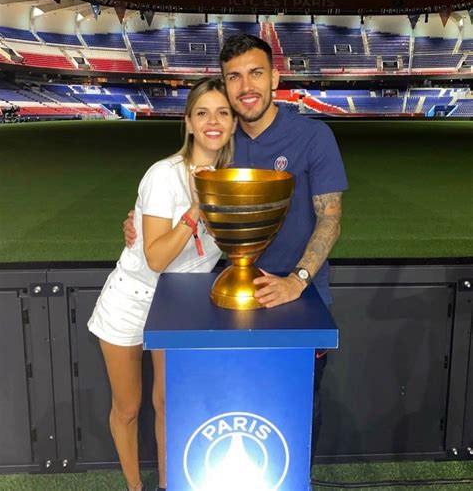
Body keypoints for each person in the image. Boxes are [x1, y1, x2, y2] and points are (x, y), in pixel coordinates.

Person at [124, 34, 348, 461]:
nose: (246, 86)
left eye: (255, 73)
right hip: (227, 297)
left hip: (299, 300)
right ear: (225, 85)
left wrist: (297, 281)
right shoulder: (222, 142)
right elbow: (175, 187)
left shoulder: (313, 137)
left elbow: (331, 218)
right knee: (235, 406)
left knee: (297, 410)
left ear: (275, 78)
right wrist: (134, 220)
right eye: (234, 77)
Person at [88, 77, 237, 491]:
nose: (213, 121)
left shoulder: (233, 178)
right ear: (188, 122)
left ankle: (170, 485)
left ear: (233, 124)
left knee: (170, 406)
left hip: (181, 307)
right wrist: (196, 208)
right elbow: (155, 257)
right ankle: (136, 487)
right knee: (129, 407)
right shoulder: (163, 175)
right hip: (132, 300)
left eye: (223, 113)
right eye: (203, 113)